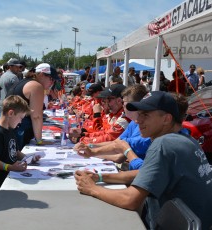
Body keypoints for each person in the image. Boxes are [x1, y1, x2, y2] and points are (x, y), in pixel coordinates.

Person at [74, 91, 212, 230]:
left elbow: (130, 200)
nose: (138, 120)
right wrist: (100, 177)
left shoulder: (164, 144)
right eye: (139, 114)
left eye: (145, 115)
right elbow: (143, 173)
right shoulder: (187, 140)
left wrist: (92, 189)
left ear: (166, 119)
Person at [0, 95, 40, 211]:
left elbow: (15, 151)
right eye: (20, 118)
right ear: (11, 113)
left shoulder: (10, 130)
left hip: (6, 180)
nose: (21, 122)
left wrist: (29, 158)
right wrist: (9, 167)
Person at [74, 85, 151, 170]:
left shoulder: (127, 119)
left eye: (108, 100)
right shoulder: (133, 122)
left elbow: (117, 149)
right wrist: (87, 142)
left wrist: (89, 148)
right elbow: (114, 140)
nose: (104, 102)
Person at [7, 63, 61, 149]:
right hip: (15, 129)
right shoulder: (36, 86)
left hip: (10, 126)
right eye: (51, 79)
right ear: (41, 74)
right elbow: (36, 116)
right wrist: (39, 141)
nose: (52, 82)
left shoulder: (28, 81)